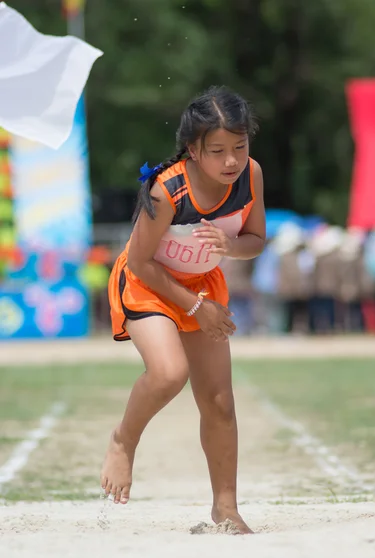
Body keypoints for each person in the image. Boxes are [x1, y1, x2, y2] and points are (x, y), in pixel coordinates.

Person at [102, 85, 266, 534]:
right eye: (217, 151)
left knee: (219, 401)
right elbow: (139, 261)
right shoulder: (165, 190)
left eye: (239, 146)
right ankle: (123, 440)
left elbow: (256, 241)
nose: (231, 160)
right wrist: (197, 307)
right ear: (193, 150)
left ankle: (226, 508)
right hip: (149, 284)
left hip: (202, 286)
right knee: (169, 373)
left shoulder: (251, 176)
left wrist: (231, 247)